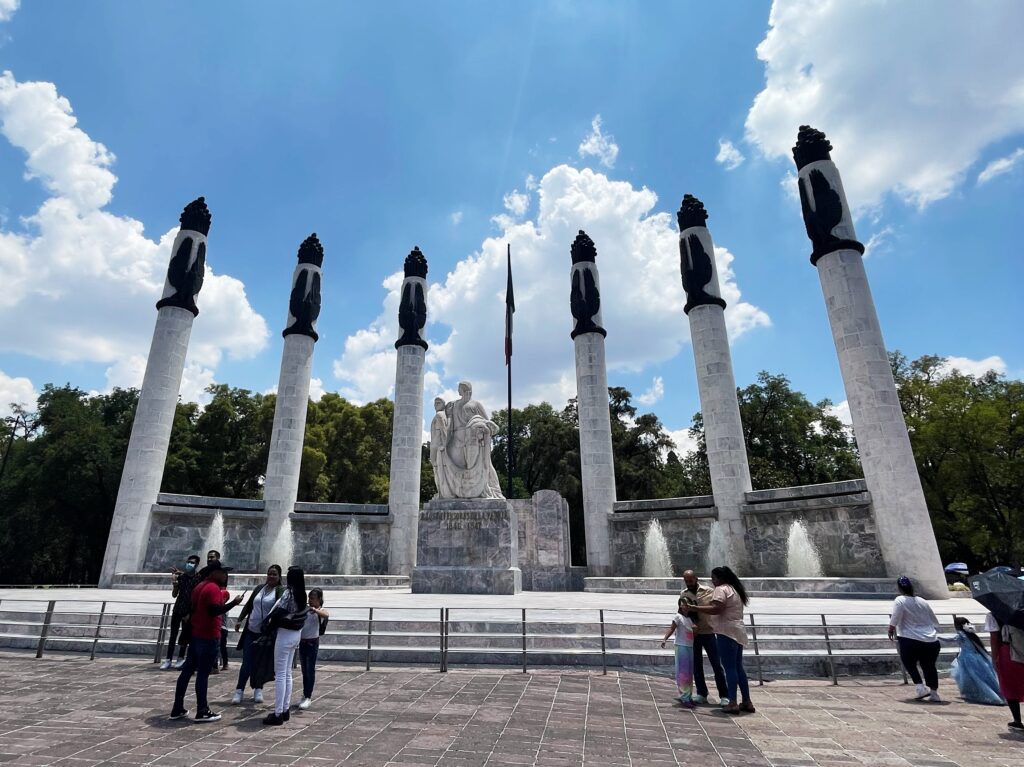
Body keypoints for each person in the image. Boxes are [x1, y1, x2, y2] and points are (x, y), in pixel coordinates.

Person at [169, 561, 244, 723]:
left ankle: (177, 707)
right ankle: (202, 710)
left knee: (187, 672)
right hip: (208, 636)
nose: (225, 575)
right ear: (214, 572)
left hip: (196, 634)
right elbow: (214, 611)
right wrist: (234, 603)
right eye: (223, 572)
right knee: (203, 674)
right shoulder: (213, 588)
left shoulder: (200, 586)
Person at [689, 566, 754, 714]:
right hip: (738, 631)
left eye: (714, 578)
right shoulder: (735, 589)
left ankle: (732, 702)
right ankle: (746, 701)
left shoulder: (721, 589)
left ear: (719, 579)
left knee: (730, 668)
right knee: (738, 667)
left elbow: (717, 608)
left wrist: (696, 608)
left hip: (726, 632)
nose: (712, 582)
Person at [232, 564, 284, 705]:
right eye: (269, 574)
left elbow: (281, 610)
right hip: (251, 630)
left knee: (261, 662)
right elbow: (249, 605)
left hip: (265, 634)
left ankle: (258, 689)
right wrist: (240, 620)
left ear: (279, 576)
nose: (271, 577)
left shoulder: (280, 591)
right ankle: (239, 690)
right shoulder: (259, 589)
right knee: (247, 663)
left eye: (274, 574)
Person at [264, 566, 309, 726]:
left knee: (280, 674)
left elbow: (278, 612)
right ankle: (285, 709)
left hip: (285, 634)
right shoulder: (302, 594)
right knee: (288, 673)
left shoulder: (289, 593)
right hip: (296, 634)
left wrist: (269, 623)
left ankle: (278, 713)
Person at [887, 575, 942, 702]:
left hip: (910, 638)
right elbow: (935, 621)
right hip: (931, 640)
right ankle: (934, 693)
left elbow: (896, 615)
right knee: (929, 666)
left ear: (899, 588)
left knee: (908, 662)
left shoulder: (900, 600)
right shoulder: (922, 601)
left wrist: (891, 628)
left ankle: (919, 687)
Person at [681, 570, 728, 704]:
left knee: (716, 664)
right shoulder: (684, 594)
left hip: (709, 632)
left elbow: (715, 607)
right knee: (696, 665)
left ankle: (724, 695)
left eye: (690, 580)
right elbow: (683, 613)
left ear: (696, 578)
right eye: (686, 581)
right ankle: (702, 693)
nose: (688, 583)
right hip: (694, 634)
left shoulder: (709, 591)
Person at [950, 617, 1003, 705]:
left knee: (973, 677)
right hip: (976, 657)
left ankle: (981, 694)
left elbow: (950, 639)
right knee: (980, 676)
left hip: (967, 658)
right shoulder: (970, 634)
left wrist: (936, 637)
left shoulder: (961, 634)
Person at [986, 612, 1024, 731]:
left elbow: (994, 637)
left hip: (1008, 652)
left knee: (1009, 685)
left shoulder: (994, 614)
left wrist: (994, 657)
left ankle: (1017, 720)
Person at [161, 554, 200, 670]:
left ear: (197, 564)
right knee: (173, 634)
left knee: (184, 635)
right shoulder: (181, 577)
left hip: (188, 611)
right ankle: (168, 659)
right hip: (178, 608)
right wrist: (174, 584)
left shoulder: (198, 578)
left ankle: (181, 657)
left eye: (192, 562)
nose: (189, 564)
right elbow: (174, 595)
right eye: (188, 562)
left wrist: (190, 613)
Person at [660, 596, 695, 708]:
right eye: (682, 604)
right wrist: (665, 639)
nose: (684, 606)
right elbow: (672, 628)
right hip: (681, 646)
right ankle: (684, 696)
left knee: (689, 672)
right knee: (683, 671)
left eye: (686, 604)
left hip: (690, 646)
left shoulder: (690, 619)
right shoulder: (678, 617)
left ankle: (688, 695)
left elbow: (693, 633)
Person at [298, 588, 330, 710]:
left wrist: (315, 610)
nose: (310, 601)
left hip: (312, 643)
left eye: (313, 598)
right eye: (309, 598)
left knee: (310, 670)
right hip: (302, 642)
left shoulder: (319, 611)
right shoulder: (306, 610)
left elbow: (326, 614)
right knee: (304, 670)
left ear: (319, 599)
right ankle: (305, 694)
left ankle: (308, 696)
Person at [205, 550, 230, 674]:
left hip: (219, 620)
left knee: (220, 642)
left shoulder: (220, 589)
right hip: (210, 623)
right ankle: (212, 665)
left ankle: (217, 664)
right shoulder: (209, 586)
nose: (225, 575)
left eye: (212, 557)